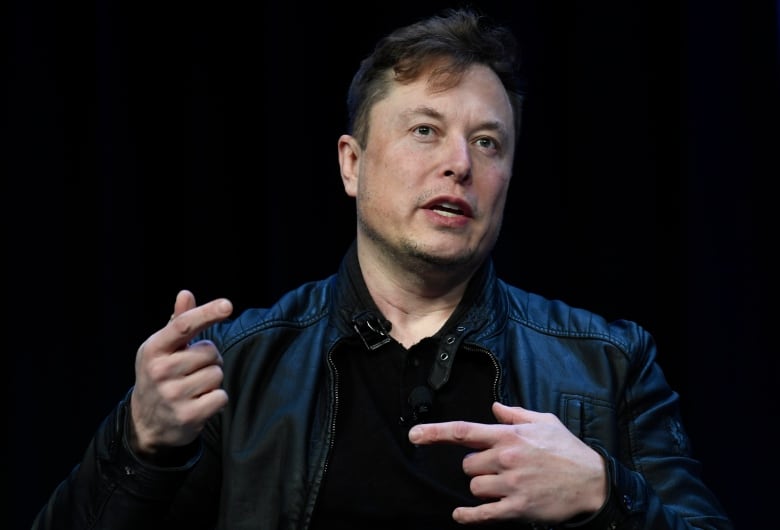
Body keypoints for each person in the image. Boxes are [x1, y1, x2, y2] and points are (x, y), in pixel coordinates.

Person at [33, 7, 733, 530]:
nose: (460, 161)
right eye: (425, 129)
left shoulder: (610, 362)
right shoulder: (240, 368)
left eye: (488, 141)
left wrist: (606, 495)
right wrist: (142, 442)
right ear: (351, 163)